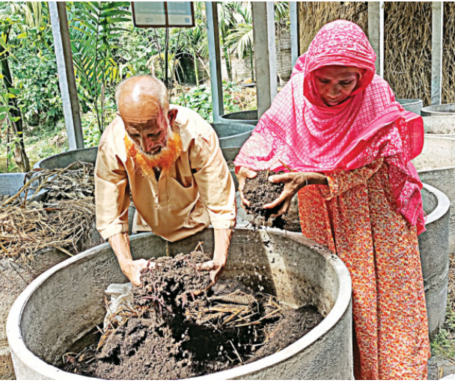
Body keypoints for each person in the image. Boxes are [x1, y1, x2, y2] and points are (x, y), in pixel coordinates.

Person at [235, 20, 429, 379]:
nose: (333, 91)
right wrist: (248, 170)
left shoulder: (375, 95)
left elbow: (375, 162)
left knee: (382, 300)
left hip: (371, 213)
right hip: (319, 210)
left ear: (362, 76)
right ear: (311, 73)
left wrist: (315, 177)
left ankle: (392, 373)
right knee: (338, 295)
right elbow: (268, 134)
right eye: (324, 81)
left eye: (345, 82)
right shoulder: (296, 93)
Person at [95, 75, 236, 287]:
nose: (146, 145)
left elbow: (220, 202)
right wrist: (127, 264)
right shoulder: (112, 145)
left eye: (154, 134)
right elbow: (111, 215)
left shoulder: (198, 135)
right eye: (135, 135)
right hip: (147, 230)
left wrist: (218, 257)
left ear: (170, 117)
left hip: (197, 227)